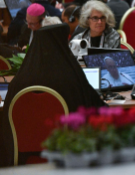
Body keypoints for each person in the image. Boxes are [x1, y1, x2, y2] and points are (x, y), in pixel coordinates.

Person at [0, 23, 105, 167]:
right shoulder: (73, 78)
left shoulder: (19, 80)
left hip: (23, 161)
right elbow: (96, 110)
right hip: (69, 156)